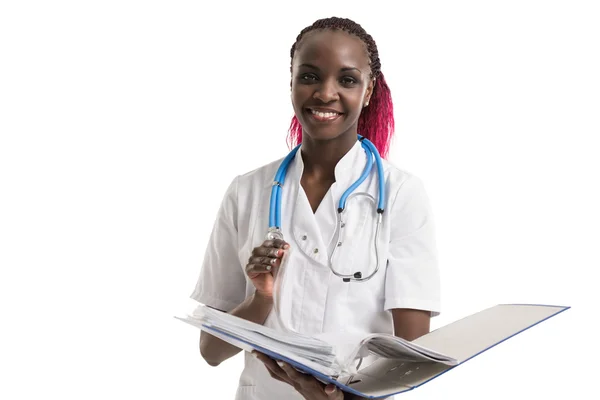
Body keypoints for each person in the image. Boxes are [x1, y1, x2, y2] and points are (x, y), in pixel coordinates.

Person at [190, 16, 441, 400]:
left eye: (347, 79)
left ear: (369, 90)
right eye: (309, 77)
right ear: (290, 81)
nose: (325, 93)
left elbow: (414, 360)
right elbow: (211, 351)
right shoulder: (247, 191)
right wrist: (261, 299)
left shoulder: (401, 194)